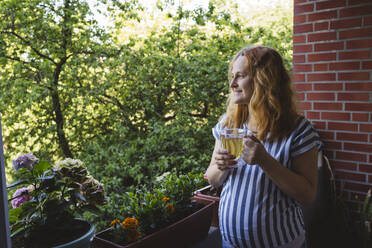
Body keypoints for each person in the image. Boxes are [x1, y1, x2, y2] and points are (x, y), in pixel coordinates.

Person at [205, 45, 323, 248]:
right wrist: (220, 166)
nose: (232, 84)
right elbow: (213, 179)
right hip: (230, 244)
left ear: (264, 80)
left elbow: (307, 194)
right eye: (232, 76)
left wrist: (264, 160)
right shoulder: (228, 124)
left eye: (240, 76)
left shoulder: (299, 130)